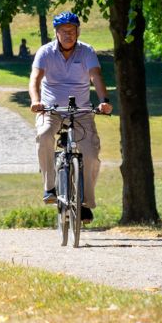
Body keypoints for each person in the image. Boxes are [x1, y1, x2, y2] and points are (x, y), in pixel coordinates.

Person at [28, 11, 111, 221]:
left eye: (72, 31)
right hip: (50, 109)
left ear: (77, 32)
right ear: (56, 33)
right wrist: (36, 101)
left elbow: (96, 76)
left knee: (91, 154)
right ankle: (50, 188)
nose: (68, 35)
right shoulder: (45, 52)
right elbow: (35, 79)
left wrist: (104, 101)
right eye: (64, 31)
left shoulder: (86, 51)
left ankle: (85, 203)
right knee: (45, 135)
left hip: (81, 111)